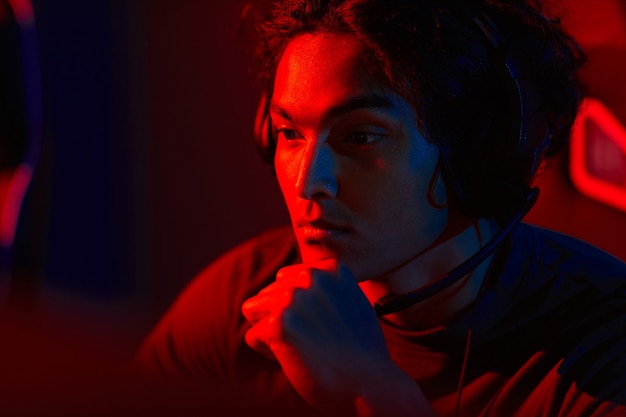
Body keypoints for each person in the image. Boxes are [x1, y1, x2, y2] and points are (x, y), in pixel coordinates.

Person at [135, 0, 626, 416]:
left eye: (359, 137)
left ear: (476, 153)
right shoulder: (243, 301)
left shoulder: (604, 351)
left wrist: (375, 393)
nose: (309, 183)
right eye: (290, 135)